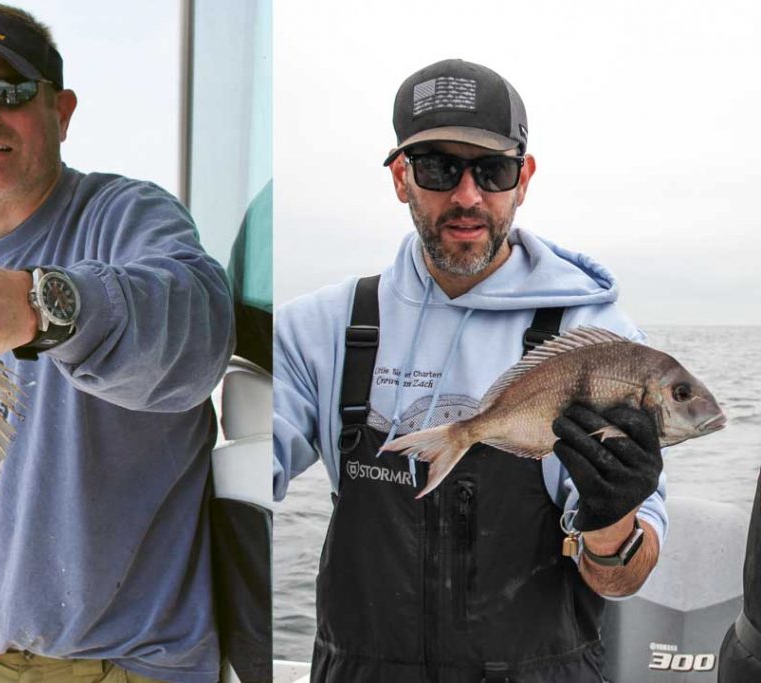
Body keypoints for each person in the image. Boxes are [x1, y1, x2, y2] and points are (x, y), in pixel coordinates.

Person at [272, 59, 667, 682]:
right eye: (438, 167)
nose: (467, 196)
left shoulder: (600, 343)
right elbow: (241, 482)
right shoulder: (320, 328)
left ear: (523, 179)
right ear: (401, 177)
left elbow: (621, 580)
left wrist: (612, 519)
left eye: (493, 170)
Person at [0, 4, 234, 681]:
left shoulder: (130, 217)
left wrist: (39, 305)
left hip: (129, 662)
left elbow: (199, 335)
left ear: (61, 111)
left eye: (10, 90)